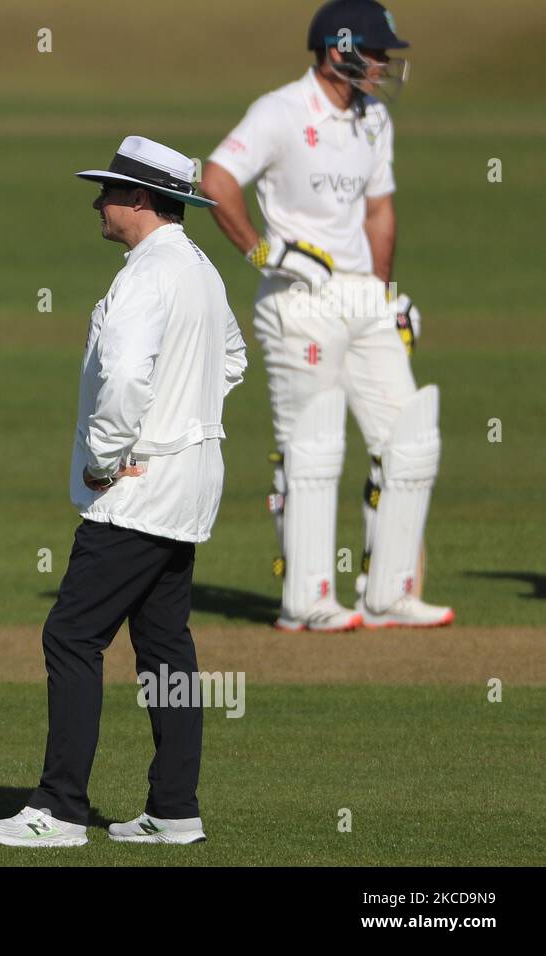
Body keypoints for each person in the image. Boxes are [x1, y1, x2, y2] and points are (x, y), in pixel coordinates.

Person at [0, 136, 246, 848]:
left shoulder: (146, 276)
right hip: (189, 486)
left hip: (137, 488)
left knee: (71, 635)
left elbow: (125, 379)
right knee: (164, 647)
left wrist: (108, 455)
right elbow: (233, 361)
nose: (98, 202)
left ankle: (59, 810)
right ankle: (174, 809)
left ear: (140, 200)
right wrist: (185, 420)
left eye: (109, 191)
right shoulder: (201, 270)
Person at [202, 0, 453, 631]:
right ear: (338, 49)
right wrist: (264, 251)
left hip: (361, 296)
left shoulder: (373, 120)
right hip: (299, 297)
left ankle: (390, 592)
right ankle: (307, 600)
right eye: (376, 52)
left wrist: (384, 295)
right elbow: (216, 180)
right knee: (312, 447)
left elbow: (379, 214)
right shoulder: (280, 111)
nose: (386, 64)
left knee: (411, 436)